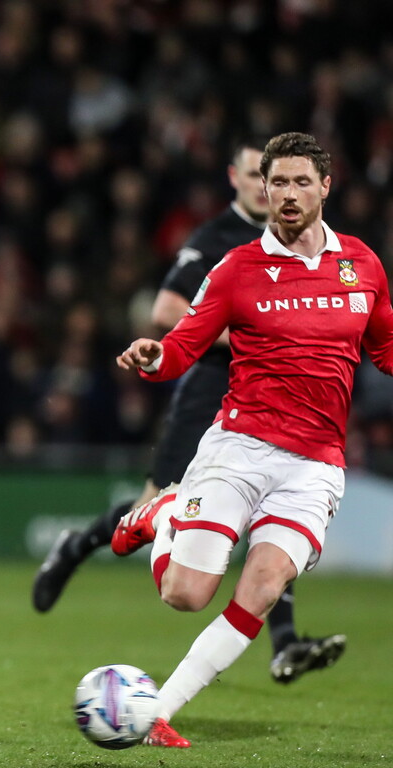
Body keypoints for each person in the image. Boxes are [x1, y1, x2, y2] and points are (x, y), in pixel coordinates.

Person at [113, 132, 393, 747]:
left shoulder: (363, 265)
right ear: (262, 189)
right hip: (240, 447)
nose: (288, 195)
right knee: (185, 595)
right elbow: (182, 344)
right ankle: (162, 511)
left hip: (315, 465)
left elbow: (385, 346)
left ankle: (157, 711)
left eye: (300, 182)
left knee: (263, 589)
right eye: (278, 183)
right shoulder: (238, 268)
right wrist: (152, 357)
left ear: (326, 186)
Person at [32, 140, 346, 684]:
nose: (263, 186)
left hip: (279, 402)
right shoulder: (217, 240)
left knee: (276, 511)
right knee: (161, 502)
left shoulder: (311, 245)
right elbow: (167, 309)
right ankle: (79, 543)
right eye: (256, 176)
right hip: (208, 387)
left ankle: (285, 641)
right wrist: (258, 331)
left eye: (272, 177)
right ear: (239, 179)